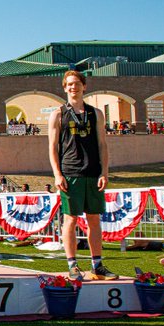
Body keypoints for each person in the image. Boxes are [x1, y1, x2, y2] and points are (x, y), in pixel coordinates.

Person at [48, 69, 114, 279]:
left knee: (94, 219)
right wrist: (57, 174)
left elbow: (102, 144)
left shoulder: (96, 113)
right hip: (70, 172)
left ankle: (97, 265)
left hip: (93, 172)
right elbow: (52, 147)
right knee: (71, 218)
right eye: (69, 84)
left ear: (84, 86)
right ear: (64, 88)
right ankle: (72, 264)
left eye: (76, 83)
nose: (73, 87)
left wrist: (104, 171)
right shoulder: (58, 114)